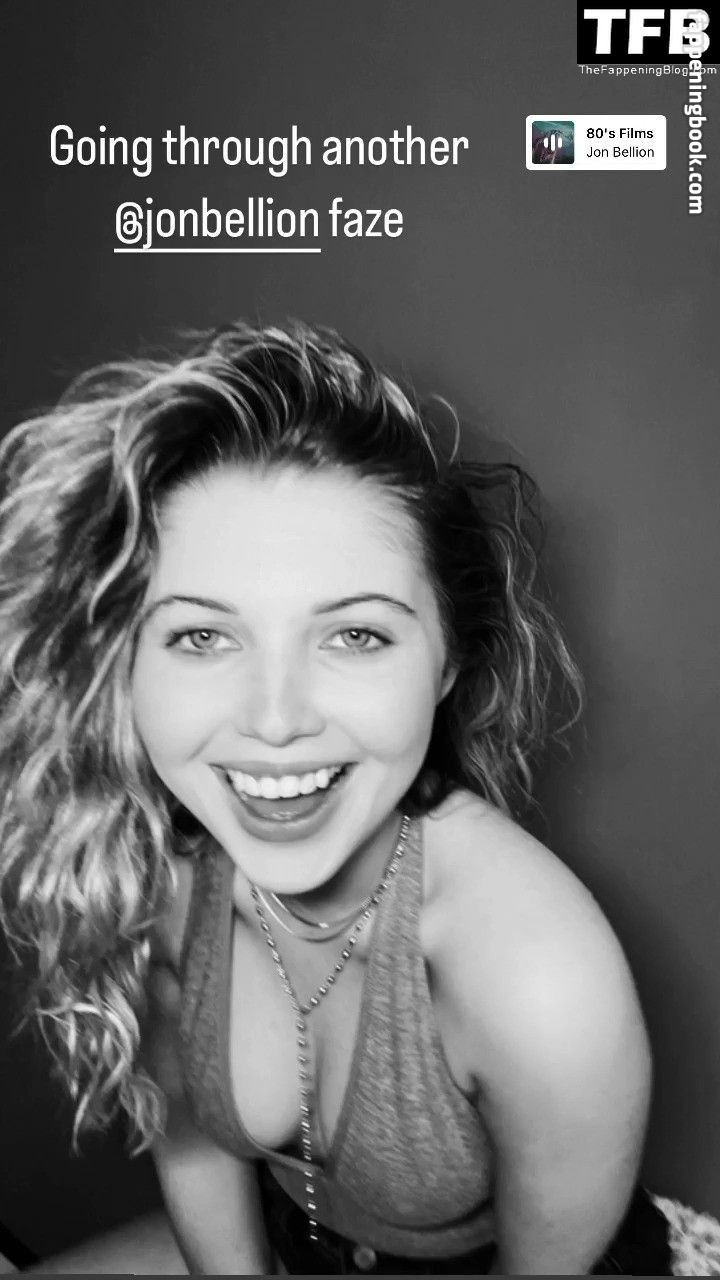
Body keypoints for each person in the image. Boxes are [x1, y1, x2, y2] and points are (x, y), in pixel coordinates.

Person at [0, 321, 672, 1275]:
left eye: (356, 636)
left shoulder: (543, 977)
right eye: (202, 637)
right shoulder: (161, 881)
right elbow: (194, 1148)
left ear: (447, 663)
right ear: (127, 668)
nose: (275, 721)